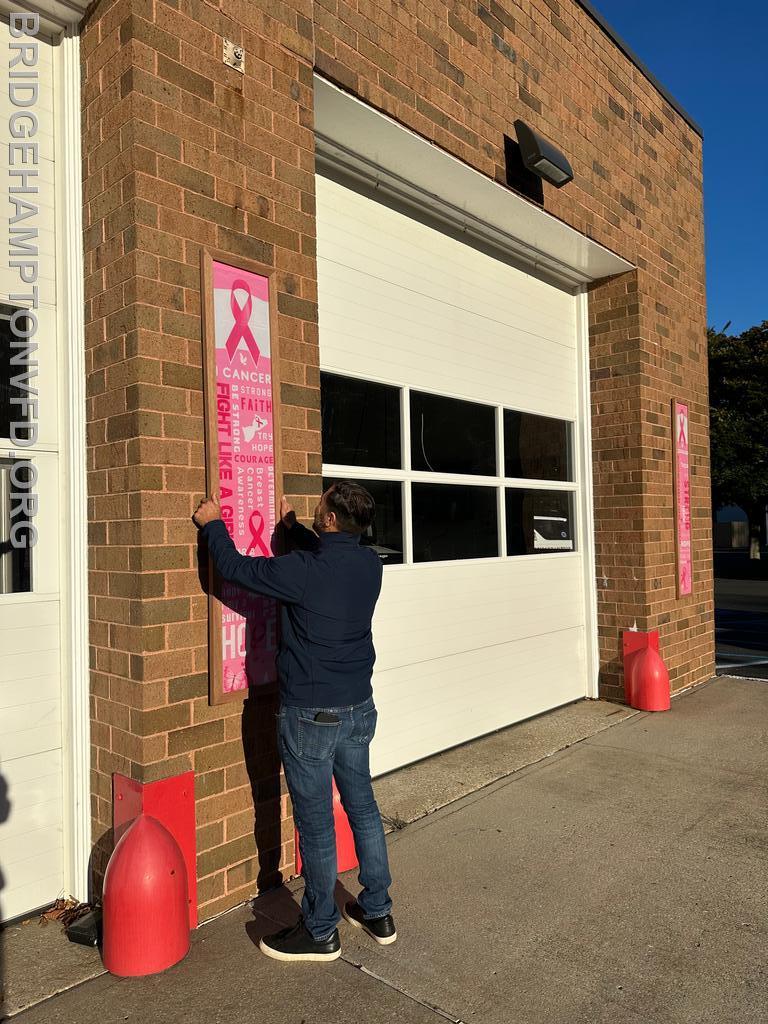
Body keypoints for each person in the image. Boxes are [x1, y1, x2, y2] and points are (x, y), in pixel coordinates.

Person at [193, 481, 395, 963]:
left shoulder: (303, 571)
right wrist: (290, 529)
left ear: (328, 519)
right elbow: (332, 555)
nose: (315, 508)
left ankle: (321, 929)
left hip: (312, 715)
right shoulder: (369, 564)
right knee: (363, 807)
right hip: (358, 709)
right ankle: (377, 910)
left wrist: (212, 525)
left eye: (320, 506)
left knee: (317, 825)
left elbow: (237, 568)